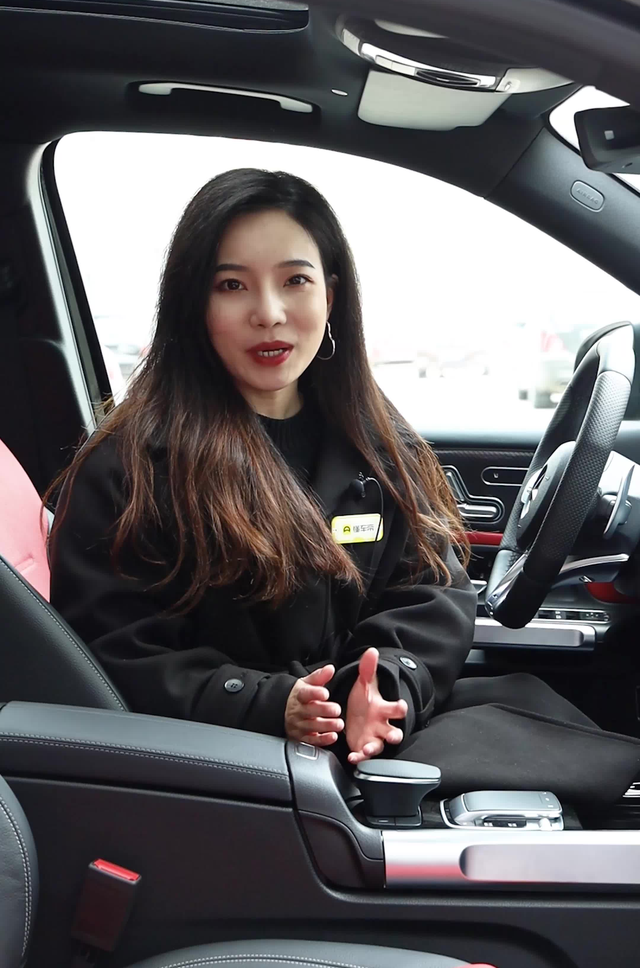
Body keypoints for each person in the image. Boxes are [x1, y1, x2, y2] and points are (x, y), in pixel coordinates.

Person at [49, 169, 640, 802]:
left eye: (295, 281)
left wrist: (384, 687)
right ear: (195, 305)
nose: (269, 313)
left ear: (330, 295)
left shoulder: (374, 438)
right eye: (232, 285)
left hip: (374, 739)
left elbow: (430, 589)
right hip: (235, 771)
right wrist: (271, 704)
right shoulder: (132, 467)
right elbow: (111, 654)